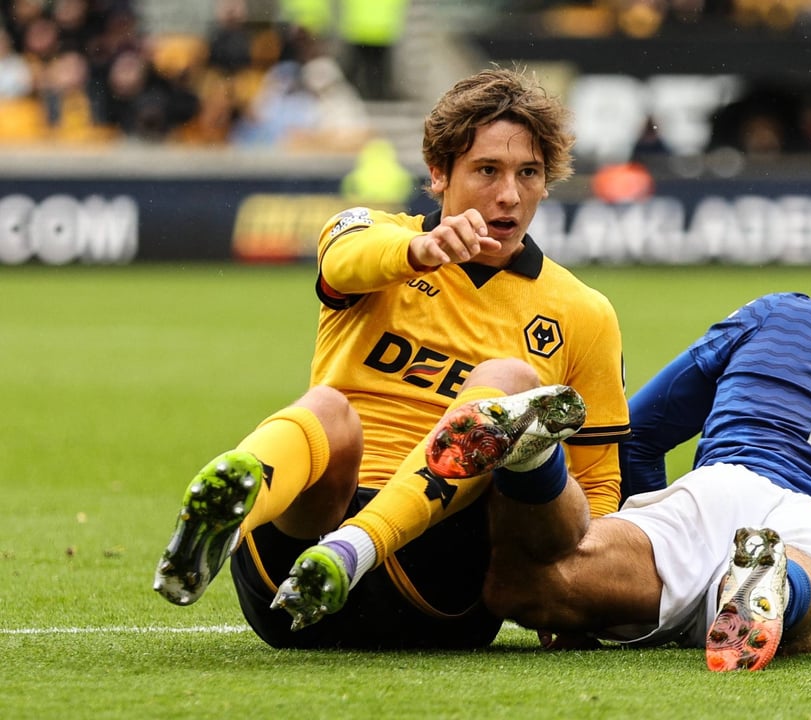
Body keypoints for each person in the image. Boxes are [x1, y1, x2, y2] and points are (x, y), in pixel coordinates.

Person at [153, 67, 631, 649]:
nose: (509, 194)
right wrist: (416, 251)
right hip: (292, 567)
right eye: (487, 170)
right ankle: (232, 513)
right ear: (438, 173)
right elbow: (342, 260)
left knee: (507, 382)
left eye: (527, 173)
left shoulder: (582, 312)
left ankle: (353, 548)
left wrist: (577, 590)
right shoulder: (377, 242)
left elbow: (597, 478)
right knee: (329, 409)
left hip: (436, 582)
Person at [465, 214, 811, 670]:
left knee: (525, 588)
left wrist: (638, 539)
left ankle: (535, 459)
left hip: (720, 490)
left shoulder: (778, 314)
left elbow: (635, 435)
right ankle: (781, 583)